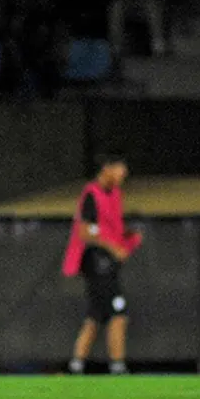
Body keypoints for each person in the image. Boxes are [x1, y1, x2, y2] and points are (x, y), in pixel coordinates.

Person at [62, 155, 142, 375]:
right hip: (97, 260)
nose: (122, 176)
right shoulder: (91, 194)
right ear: (107, 168)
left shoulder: (115, 194)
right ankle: (117, 365)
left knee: (95, 316)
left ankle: (76, 365)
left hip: (108, 262)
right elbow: (84, 231)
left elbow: (110, 227)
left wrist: (127, 237)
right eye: (119, 171)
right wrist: (112, 247)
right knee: (118, 313)